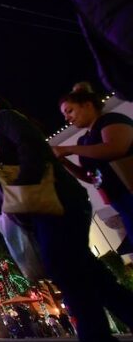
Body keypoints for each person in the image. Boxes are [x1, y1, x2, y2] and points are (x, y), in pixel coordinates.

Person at [0, 93, 133, 342]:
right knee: (91, 275)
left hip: (55, 206)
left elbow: (31, 147)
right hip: (50, 208)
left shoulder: (7, 119)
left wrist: (22, 189)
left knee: (68, 273)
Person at [53, 83, 133, 241]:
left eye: (70, 110)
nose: (67, 117)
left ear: (88, 105)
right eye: (64, 114)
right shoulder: (83, 140)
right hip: (117, 199)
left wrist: (69, 149)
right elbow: (90, 177)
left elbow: (115, 148)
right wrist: (63, 161)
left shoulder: (110, 120)